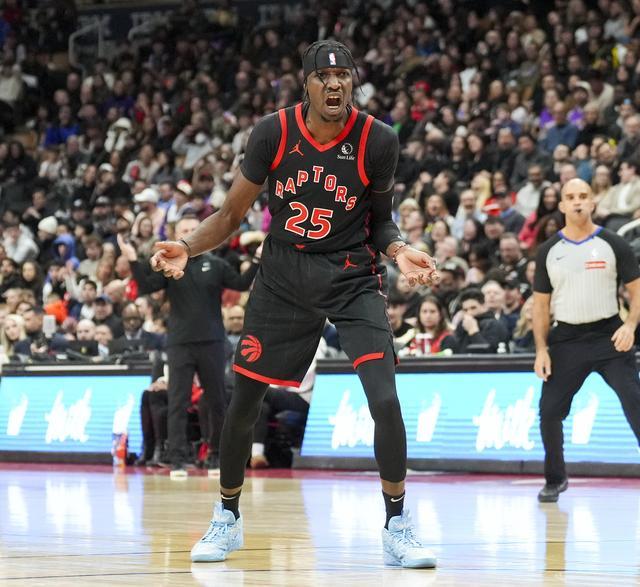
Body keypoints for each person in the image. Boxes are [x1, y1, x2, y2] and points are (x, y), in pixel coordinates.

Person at [151, 41, 439, 568]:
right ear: (306, 84)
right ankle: (227, 517)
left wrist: (400, 250)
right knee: (243, 402)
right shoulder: (274, 132)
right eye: (323, 77)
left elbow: (380, 222)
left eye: (343, 76)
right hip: (284, 276)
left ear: (352, 83)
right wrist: (188, 247)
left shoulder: (377, 139)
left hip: (351, 276)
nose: (335, 84)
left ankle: (397, 525)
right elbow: (231, 214)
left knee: (385, 399)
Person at [121, 217, 260, 475]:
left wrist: (257, 260)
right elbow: (147, 286)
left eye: (194, 229)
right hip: (180, 342)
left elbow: (241, 284)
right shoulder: (170, 264)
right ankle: (177, 458)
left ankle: (217, 455)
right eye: (184, 230)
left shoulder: (216, 264)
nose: (189, 233)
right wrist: (132, 259)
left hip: (212, 340)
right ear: (176, 235)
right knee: (177, 401)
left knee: (217, 400)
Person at [533, 178, 640, 503]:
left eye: (583, 196)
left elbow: (636, 291)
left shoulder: (613, 243)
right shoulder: (548, 251)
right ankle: (555, 479)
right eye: (571, 197)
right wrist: (541, 350)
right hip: (566, 339)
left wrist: (630, 325)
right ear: (562, 205)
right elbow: (541, 306)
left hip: (610, 336)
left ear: (593, 202)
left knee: (635, 402)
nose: (577, 201)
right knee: (549, 412)